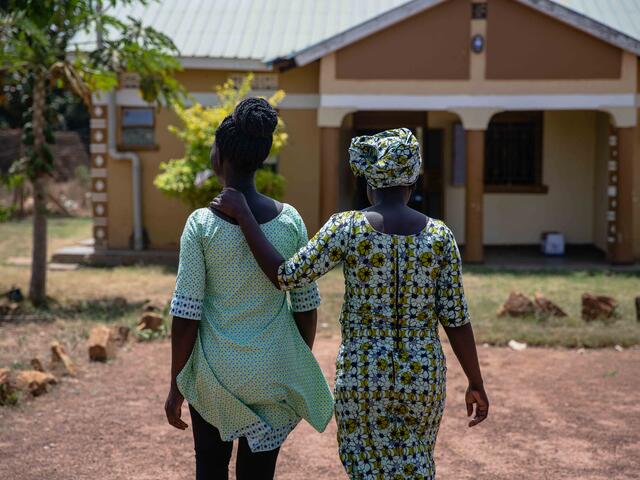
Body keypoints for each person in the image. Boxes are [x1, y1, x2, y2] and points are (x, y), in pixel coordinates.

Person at [211, 127, 489, 480]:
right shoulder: (440, 236)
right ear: (411, 183)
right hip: (423, 376)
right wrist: (475, 381)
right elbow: (456, 318)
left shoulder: (347, 228)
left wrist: (245, 216)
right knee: (417, 464)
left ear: (368, 183)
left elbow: (285, 275)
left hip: (363, 376)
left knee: (366, 467)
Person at [164, 98, 333, 480]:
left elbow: (186, 315)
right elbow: (305, 307)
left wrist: (176, 383)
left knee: (210, 465)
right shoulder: (290, 220)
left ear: (219, 155)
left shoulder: (201, 224)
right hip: (273, 370)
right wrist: (295, 362)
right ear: (261, 158)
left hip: (213, 374)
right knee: (258, 475)